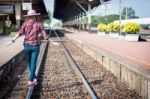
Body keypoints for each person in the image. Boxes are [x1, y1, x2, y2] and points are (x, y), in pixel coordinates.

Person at [9, 9, 49, 86]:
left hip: (27, 46)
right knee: (33, 62)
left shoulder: (24, 24)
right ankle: (32, 79)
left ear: (28, 16)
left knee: (30, 62)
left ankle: (32, 78)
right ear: (35, 16)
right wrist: (47, 39)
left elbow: (19, 33)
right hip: (35, 46)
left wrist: (13, 40)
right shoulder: (38, 24)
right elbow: (43, 33)